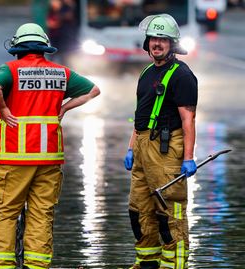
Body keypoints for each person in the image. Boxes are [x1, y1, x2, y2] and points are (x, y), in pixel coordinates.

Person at [0, 23, 100, 269]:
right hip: (49, 158)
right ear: (44, 48)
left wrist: (4, 109)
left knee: (5, 213)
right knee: (41, 214)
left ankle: (2, 266)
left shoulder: (11, 70)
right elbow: (93, 90)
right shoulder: (61, 73)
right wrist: (65, 107)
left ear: (17, 48)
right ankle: (36, 265)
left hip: (14, 157)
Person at [123, 14, 198, 269]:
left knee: (170, 214)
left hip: (166, 151)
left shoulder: (182, 75)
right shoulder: (145, 73)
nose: (157, 43)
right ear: (147, 43)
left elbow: (188, 120)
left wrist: (188, 158)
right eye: (153, 38)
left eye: (162, 39)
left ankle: (174, 265)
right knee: (139, 210)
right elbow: (140, 116)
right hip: (143, 148)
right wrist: (131, 148)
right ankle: (147, 263)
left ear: (172, 44)